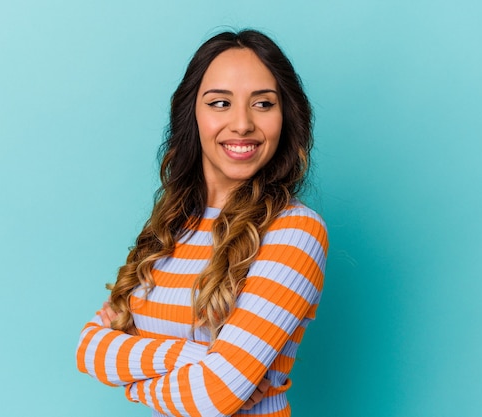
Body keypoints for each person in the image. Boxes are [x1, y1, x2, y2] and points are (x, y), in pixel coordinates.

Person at [76, 29, 328, 417]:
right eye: (220, 103)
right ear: (192, 113)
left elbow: (212, 397)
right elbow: (89, 348)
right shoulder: (172, 225)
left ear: (286, 115)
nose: (242, 124)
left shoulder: (295, 231)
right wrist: (194, 356)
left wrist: (132, 380)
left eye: (263, 104)